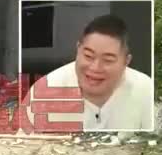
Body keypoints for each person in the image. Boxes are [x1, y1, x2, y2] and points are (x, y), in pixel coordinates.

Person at [23, 14, 154, 132]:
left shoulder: (144, 88)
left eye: (108, 60)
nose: (95, 68)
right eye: (88, 56)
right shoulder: (44, 91)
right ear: (78, 49)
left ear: (126, 61)